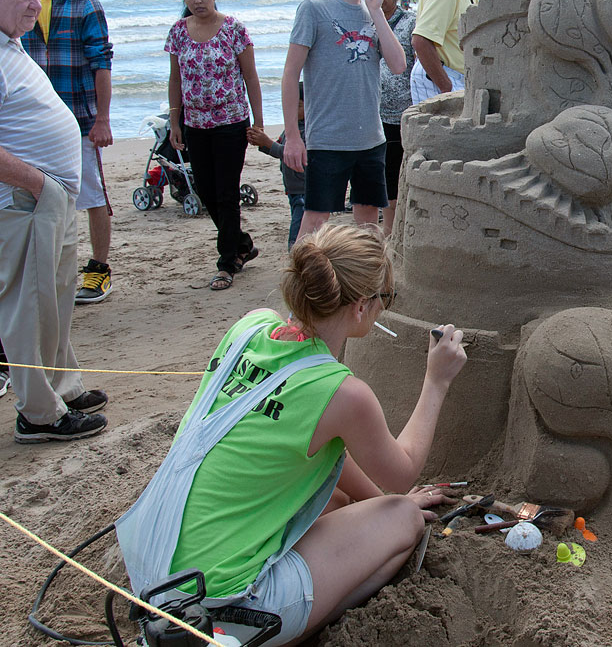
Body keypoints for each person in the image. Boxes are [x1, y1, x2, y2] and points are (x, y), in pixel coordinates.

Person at [119, 223, 468, 645]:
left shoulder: (250, 326)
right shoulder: (342, 393)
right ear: (360, 308)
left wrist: (373, 501)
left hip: (150, 562)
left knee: (336, 500)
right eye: (383, 300)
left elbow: (308, 448)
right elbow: (401, 474)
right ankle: (286, 631)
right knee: (403, 518)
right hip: (215, 611)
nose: (382, 309)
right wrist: (437, 380)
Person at [0, 0, 108, 443]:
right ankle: (38, 413)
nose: (34, 5)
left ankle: (61, 386)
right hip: (28, 200)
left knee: (58, 300)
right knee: (31, 307)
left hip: (51, 196)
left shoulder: (12, 43)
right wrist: (38, 184)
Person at [281, 0, 408, 242]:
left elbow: (398, 65)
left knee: (368, 223)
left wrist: (377, 10)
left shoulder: (373, 12)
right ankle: (298, 286)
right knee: (316, 220)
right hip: (327, 139)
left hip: (370, 139)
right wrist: (293, 138)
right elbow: (289, 75)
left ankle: (369, 290)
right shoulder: (314, 9)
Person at [19, 0, 115, 304]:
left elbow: (101, 63)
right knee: (34, 196)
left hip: (78, 119)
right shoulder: (19, 2)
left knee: (91, 196)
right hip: (30, 124)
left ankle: (98, 270)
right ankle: (44, 271)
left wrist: (103, 119)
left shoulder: (83, 3)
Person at [166, 0, 264, 290]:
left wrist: (258, 122)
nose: (197, 0)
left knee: (226, 192)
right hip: (195, 125)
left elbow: (250, 77)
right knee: (205, 191)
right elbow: (176, 80)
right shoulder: (179, 32)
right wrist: (174, 122)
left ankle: (226, 264)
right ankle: (242, 243)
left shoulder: (233, 29)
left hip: (231, 123)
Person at [379, 0, 416, 237]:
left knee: (399, 173)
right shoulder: (365, 21)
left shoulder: (410, 23)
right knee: (383, 177)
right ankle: (388, 230)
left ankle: (397, 230)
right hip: (373, 113)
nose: (380, 0)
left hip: (403, 113)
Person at [247, 82, 306, 250]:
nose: (293, 109)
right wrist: (262, 142)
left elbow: (292, 153)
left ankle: (295, 254)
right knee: (299, 219)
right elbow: (279, 149)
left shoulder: (310, 130)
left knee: (298, 227)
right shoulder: (291, 128)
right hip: (293, 187)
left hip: (304, 187)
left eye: (299, 105)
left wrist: (267, 143)